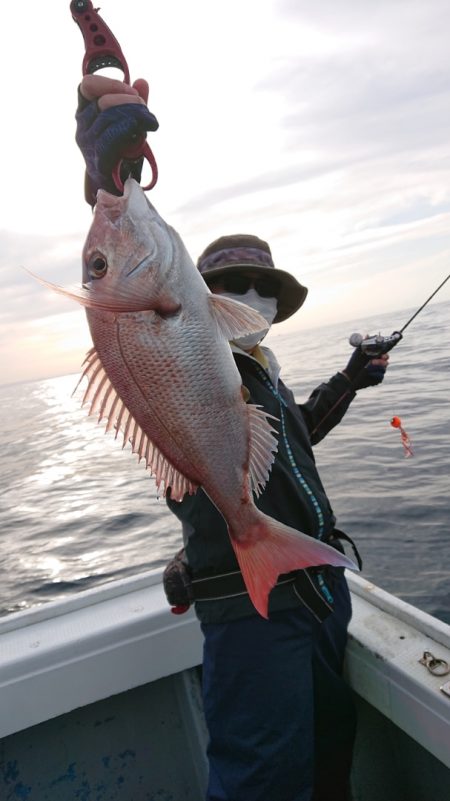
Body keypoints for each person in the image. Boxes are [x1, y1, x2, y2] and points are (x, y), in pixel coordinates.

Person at [75, 75, 390, 801]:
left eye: (262, 287)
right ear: (205, 293)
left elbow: (295, 437)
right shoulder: (185, 342)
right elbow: (117, 265)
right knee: (262, 782)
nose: (251, 296)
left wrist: (349, 378)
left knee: (326, 766)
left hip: (317, 592)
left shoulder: (262, 374)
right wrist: (104, 169)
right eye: (235, 283)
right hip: (254, 613)